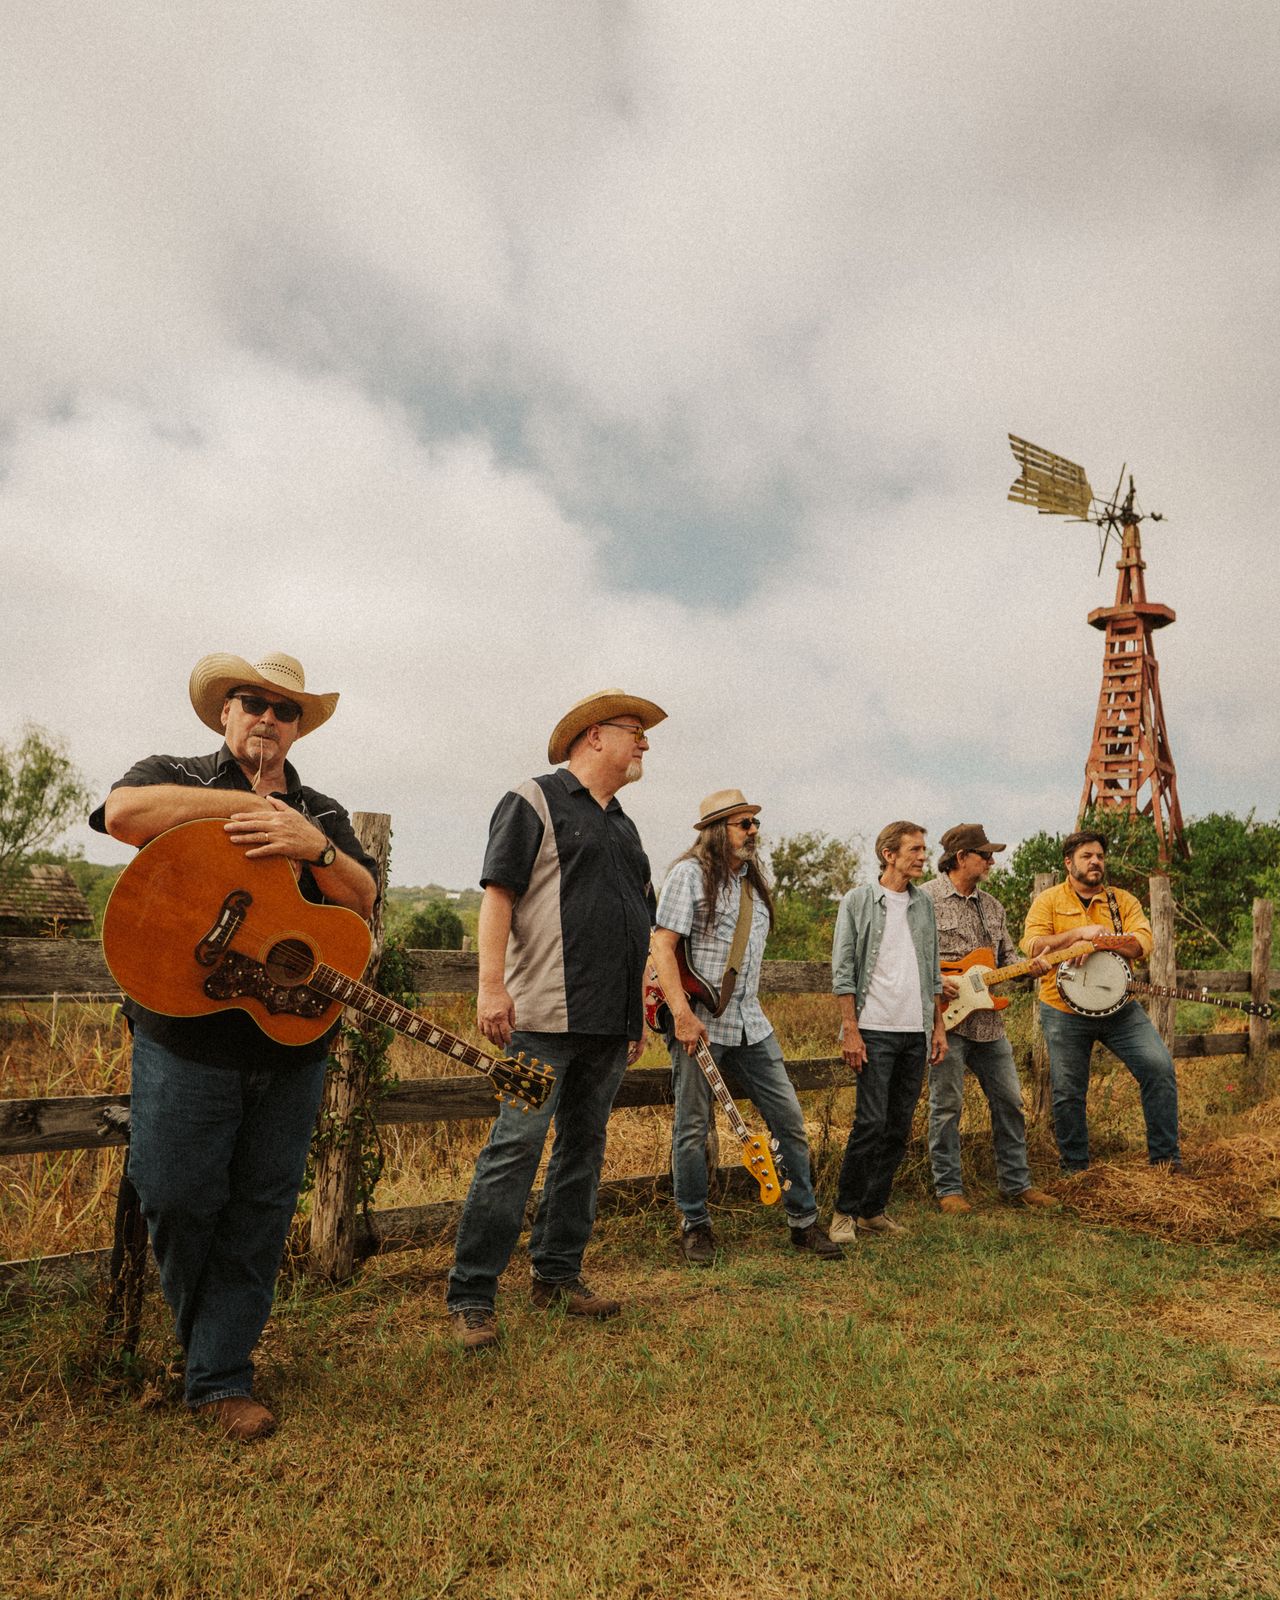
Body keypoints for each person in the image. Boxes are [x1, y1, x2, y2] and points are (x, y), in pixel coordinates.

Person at [91, 652, 379, 1442]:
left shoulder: (321, 811)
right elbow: (121, 815)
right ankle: (210, 1354)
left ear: (298, 728)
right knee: (175, 1195)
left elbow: (363, 897)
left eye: (285, 710)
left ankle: (219, 1375)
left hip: (291, 1043)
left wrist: (314, 848)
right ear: (224, 711)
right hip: (184, 1035)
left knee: (260, 1209)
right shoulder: (177, 774)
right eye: (253, 702)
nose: (267, 718)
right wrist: (239, 805)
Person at [446, 688, 666, 1352]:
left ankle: (558, 1276)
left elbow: (640, 923)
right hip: (540, 1019)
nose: (645, 743)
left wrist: (636, 1014)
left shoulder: (624, 826)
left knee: (583, 1151)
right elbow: (498, 896)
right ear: (594, 735)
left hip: (609, 1025)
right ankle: (472, 1295)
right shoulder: (533, 800)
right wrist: (491, 987)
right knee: (514, 1149)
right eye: (634, 730)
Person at [650, 789, 842, 1265]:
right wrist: (682, 1015)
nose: (754, 831)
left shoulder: (753, 883)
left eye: (755, 823)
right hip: (700, 1023)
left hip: (751, 1024)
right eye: (744, 824)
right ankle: (695, 1225)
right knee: (693, 1129)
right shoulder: (688, 875)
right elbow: (662, 946)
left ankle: (803, 1222)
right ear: (718, 831)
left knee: (789, 1119)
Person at [1022, 829, 1182, 1174]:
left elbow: (1142, 942)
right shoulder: (1049, 900)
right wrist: (1078, 935)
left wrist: (1101, 942)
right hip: (1063, 1010)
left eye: (1100, 856)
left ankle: (1166, 1162)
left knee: (1158, 1067)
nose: (1095, 862)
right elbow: (1032, 945)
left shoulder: (1121, 900)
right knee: (1068, 1091)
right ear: (1069, 863)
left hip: (1120, 1007)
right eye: (1087, 856)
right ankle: (1075, 1170)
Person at [924, 824, 1057, 1214]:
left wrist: (1030, 968)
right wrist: (938, 981)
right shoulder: (924, 900)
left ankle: (1016, 1185)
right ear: (961, 857)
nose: (992, 862)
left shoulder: (994, 907)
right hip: (946, 1024)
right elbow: (908, 957)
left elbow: (1007, 961)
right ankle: (949, 1189)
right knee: (946, 1107)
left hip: (989, 1025)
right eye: (985, 855)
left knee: (1011, 1101)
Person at [829, 820, 947, 1241]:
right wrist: (851, 1029)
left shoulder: (924, 904)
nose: (923, 857)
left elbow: (932, 970)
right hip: (874, 1030)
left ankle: (872, 1211)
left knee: (898, 1126)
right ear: (889, 854)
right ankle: (844, 1212)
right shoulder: (858, 901)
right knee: (870, 1123)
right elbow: (843, 970)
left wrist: (938, 1028)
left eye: (923, 849)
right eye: (915, 849)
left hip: (915, 1030)